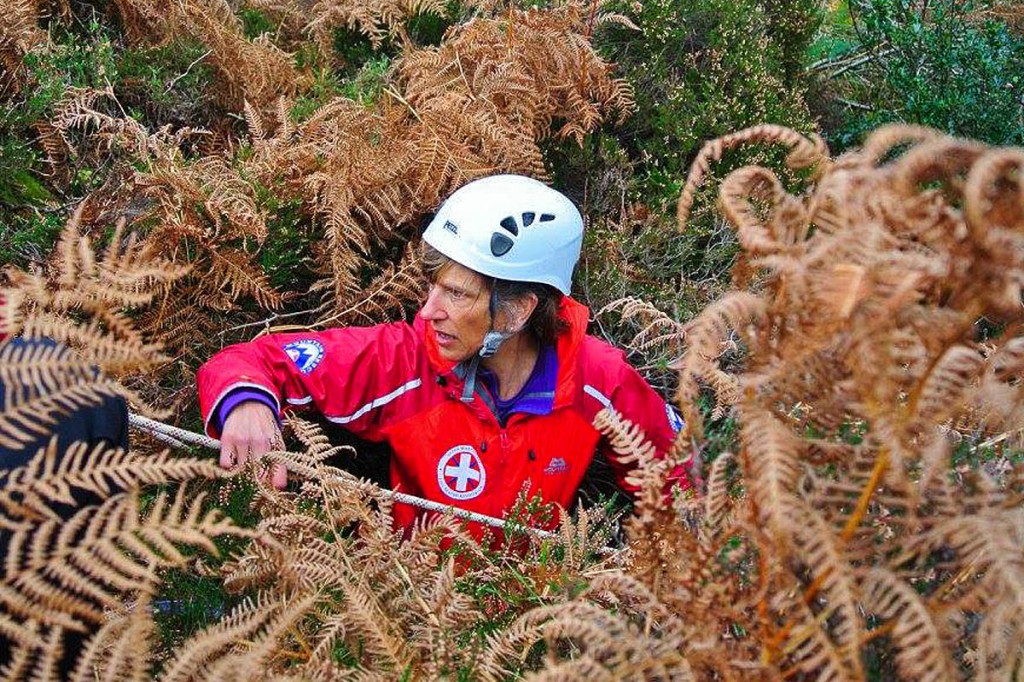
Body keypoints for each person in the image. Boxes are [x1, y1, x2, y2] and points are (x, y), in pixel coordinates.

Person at [197, 175, 694, 535]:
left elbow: (680, 481)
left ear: (517, 311)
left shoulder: (596, 380)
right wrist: (246, 402)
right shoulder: (405, 360)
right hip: (412, 606)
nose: (428, 311)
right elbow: (254, 360)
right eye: (434, 287)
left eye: (457, 294)